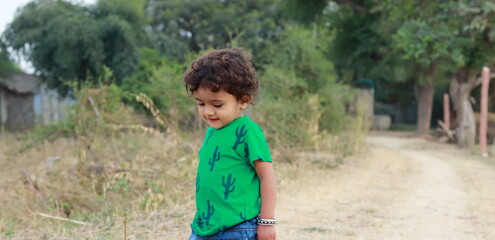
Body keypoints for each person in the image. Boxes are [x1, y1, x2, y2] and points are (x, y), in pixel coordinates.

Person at [184, 48, 277, 240]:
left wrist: (266, 222)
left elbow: (267, 176)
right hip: (205, 225)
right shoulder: (212, 131)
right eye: (201, 104)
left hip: (237, 227)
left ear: (243, 101)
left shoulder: (247, 131)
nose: (208, 112)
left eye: (217, 105)